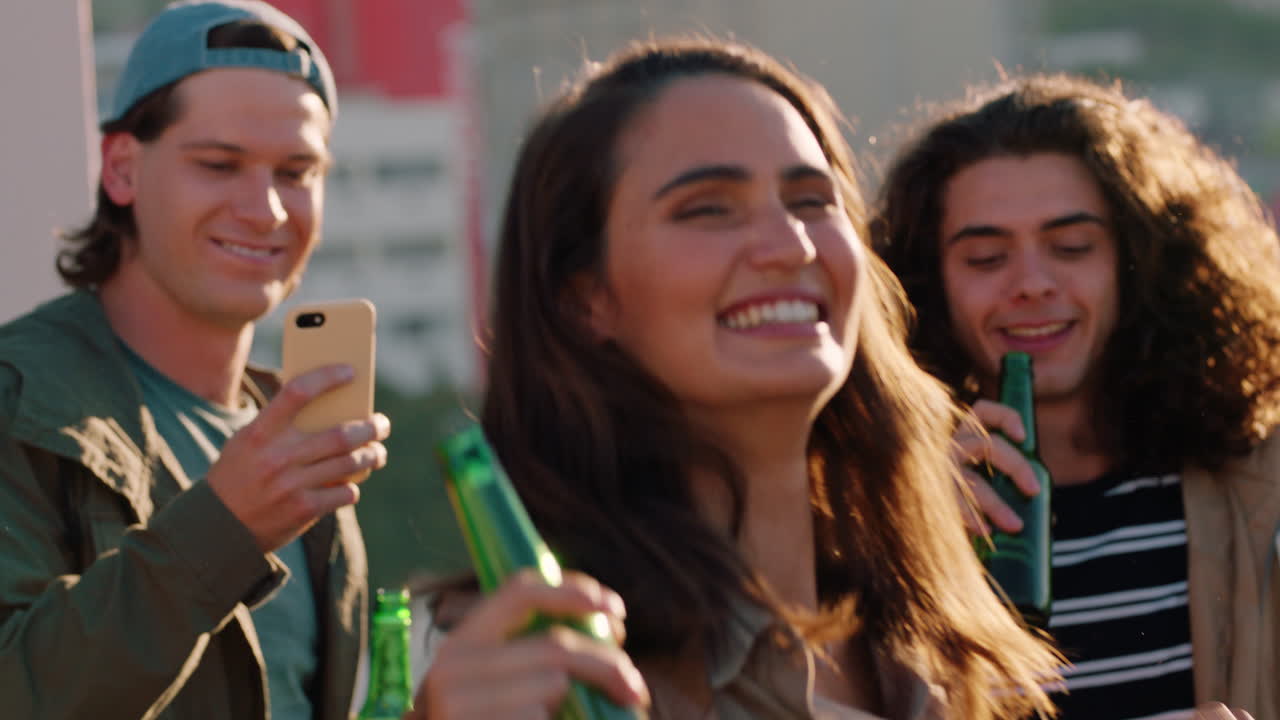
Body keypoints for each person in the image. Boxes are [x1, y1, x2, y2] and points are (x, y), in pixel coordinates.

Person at [410, 37, 1061, 720]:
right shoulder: (533, 669)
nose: (791, 246)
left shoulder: (949, 641)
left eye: (812, 200)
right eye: (708, 208)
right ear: (585, 298)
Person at [0, 2, 390, 718]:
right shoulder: (19, 396)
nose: (267, 210)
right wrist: (224, 529)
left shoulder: (294, 435)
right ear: (121, 168)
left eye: (298, 171)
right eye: (219, 165)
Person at [872, 73, 1280, 719]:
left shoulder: (1261, 483)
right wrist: (902, 534)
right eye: (985, 258)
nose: (1032, 283)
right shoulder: (872, 513)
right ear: (925, 283)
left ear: (1142, 260)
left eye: (1071, 247)